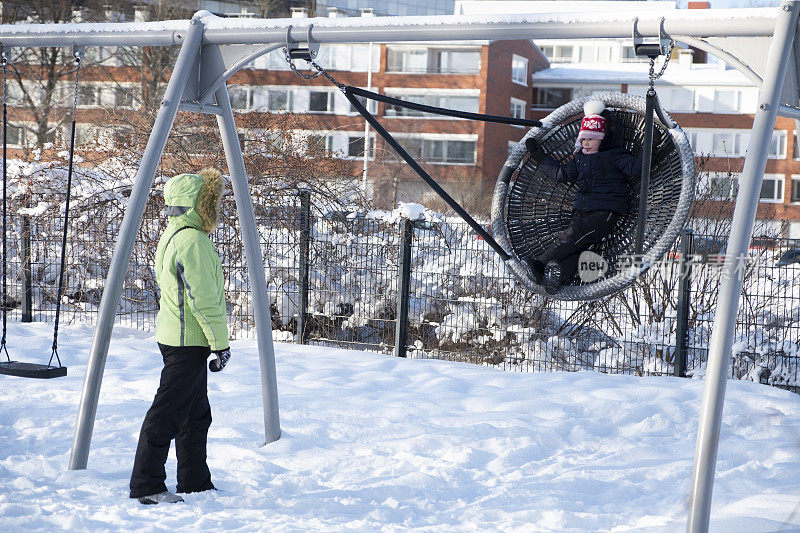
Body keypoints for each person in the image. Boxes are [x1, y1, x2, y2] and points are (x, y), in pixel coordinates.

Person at [130, 168, 232, 505]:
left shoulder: (174, 233)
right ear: (199, 204)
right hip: (189, 340)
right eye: (212, 201)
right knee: (168, 413)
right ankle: (147, 485)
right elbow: (202, 299)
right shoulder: (194, 240)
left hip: (179, 335)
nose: (216, 207)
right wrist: (220, 343)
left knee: (195, 414)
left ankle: (195, 481)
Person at [525, 100, 643, 295]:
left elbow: (635, 168)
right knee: (578, 248)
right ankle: (558, 275)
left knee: (573, 236)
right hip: (581, 211)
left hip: (604, 213)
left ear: (603, 138)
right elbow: (562, 174)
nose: (585, 143)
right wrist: (539, 156)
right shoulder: (581, 158)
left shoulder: (614, 155)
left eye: (590, 139)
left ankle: (540, 264)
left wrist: (651, 148)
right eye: (583, 139)